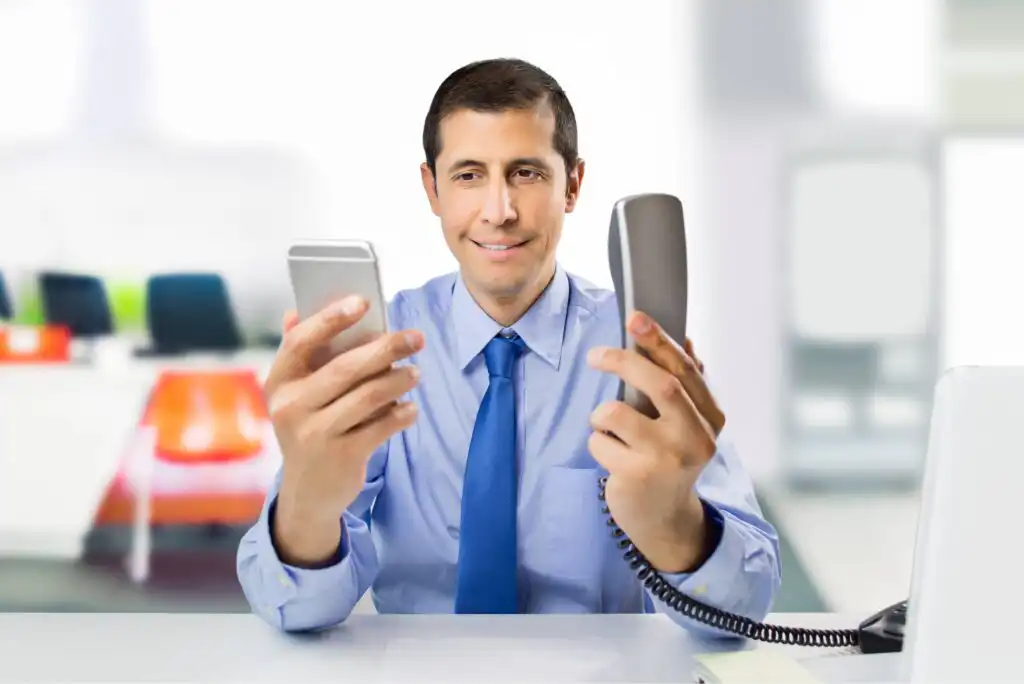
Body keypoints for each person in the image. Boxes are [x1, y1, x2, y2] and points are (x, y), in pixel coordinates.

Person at [237, 57, 781, 636]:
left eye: (526, 173)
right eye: (469, 175)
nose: (499, 211)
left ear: (571, 185)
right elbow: (294, 610)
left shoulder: (642, 354)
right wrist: (308, 504)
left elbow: (745, 606)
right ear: (433, 189)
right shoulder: (378, 354)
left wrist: (675, 522)